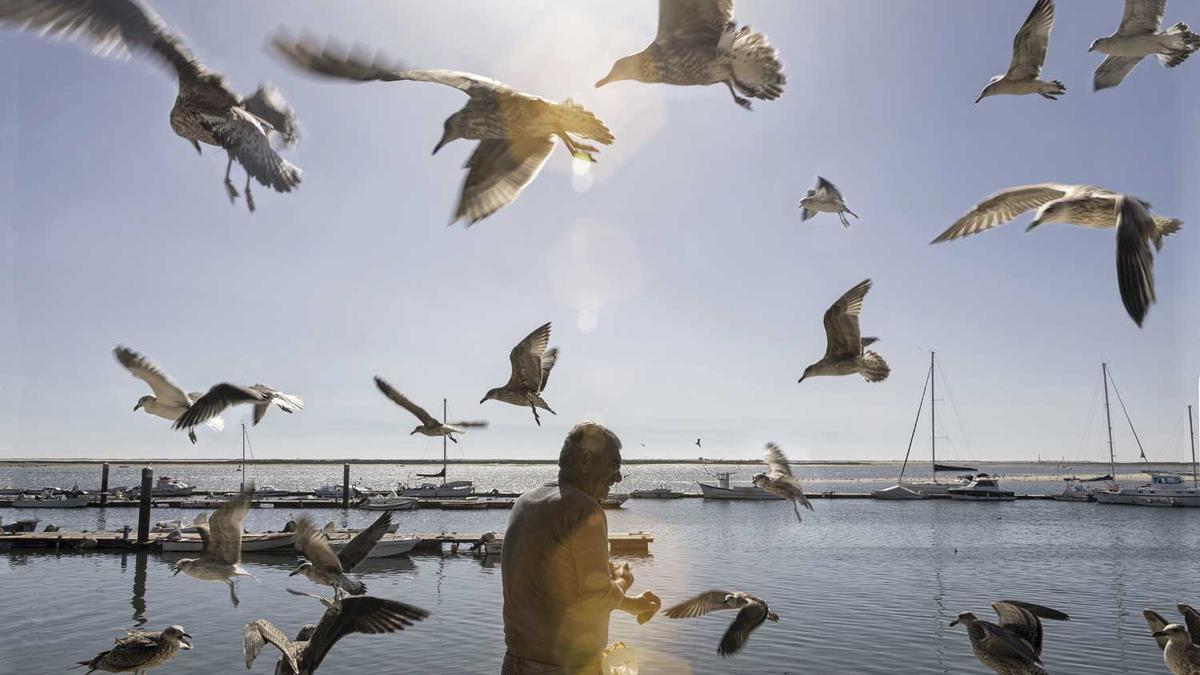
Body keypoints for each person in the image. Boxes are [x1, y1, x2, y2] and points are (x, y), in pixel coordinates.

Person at [502, 422, 660, 674]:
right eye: (614, 466)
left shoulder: (526, 502)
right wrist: (623, 582)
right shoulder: (583, 509)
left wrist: (630, 603)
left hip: (515, 663)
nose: (618, 477)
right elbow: (596, 598)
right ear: (585, 461)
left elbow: (563, 591)